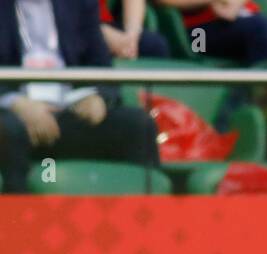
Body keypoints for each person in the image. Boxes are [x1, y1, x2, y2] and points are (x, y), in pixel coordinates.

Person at [0, 0, 160, 193]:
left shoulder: (78, 4)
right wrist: (16, 103)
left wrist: (99, 97)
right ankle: (19, 218)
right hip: (14, 113)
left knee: (139, 125)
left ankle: (145, 216)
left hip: (68, 110)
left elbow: (102, 67)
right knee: (9, 130)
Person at [154, 0, 267, 64]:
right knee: (261, 29)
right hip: (196, 36)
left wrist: (233, 5)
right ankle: (258, 93)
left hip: (240, 20)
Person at [98, 0, 170, 59]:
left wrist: (131, 37)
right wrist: (98, 33)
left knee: (154, 46)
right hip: (90, 25)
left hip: (105, 24)